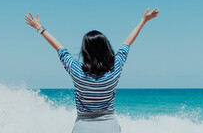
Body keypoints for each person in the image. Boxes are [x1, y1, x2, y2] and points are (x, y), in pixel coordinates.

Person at [24, 7, 160, 132]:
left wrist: (40, 28)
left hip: (83, 127)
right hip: (110, 127)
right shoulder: (115, 69)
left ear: (85, 51)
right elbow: (127, 43)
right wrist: (143, 21)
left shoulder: (76, 71)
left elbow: (59, 48)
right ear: (106, 48)